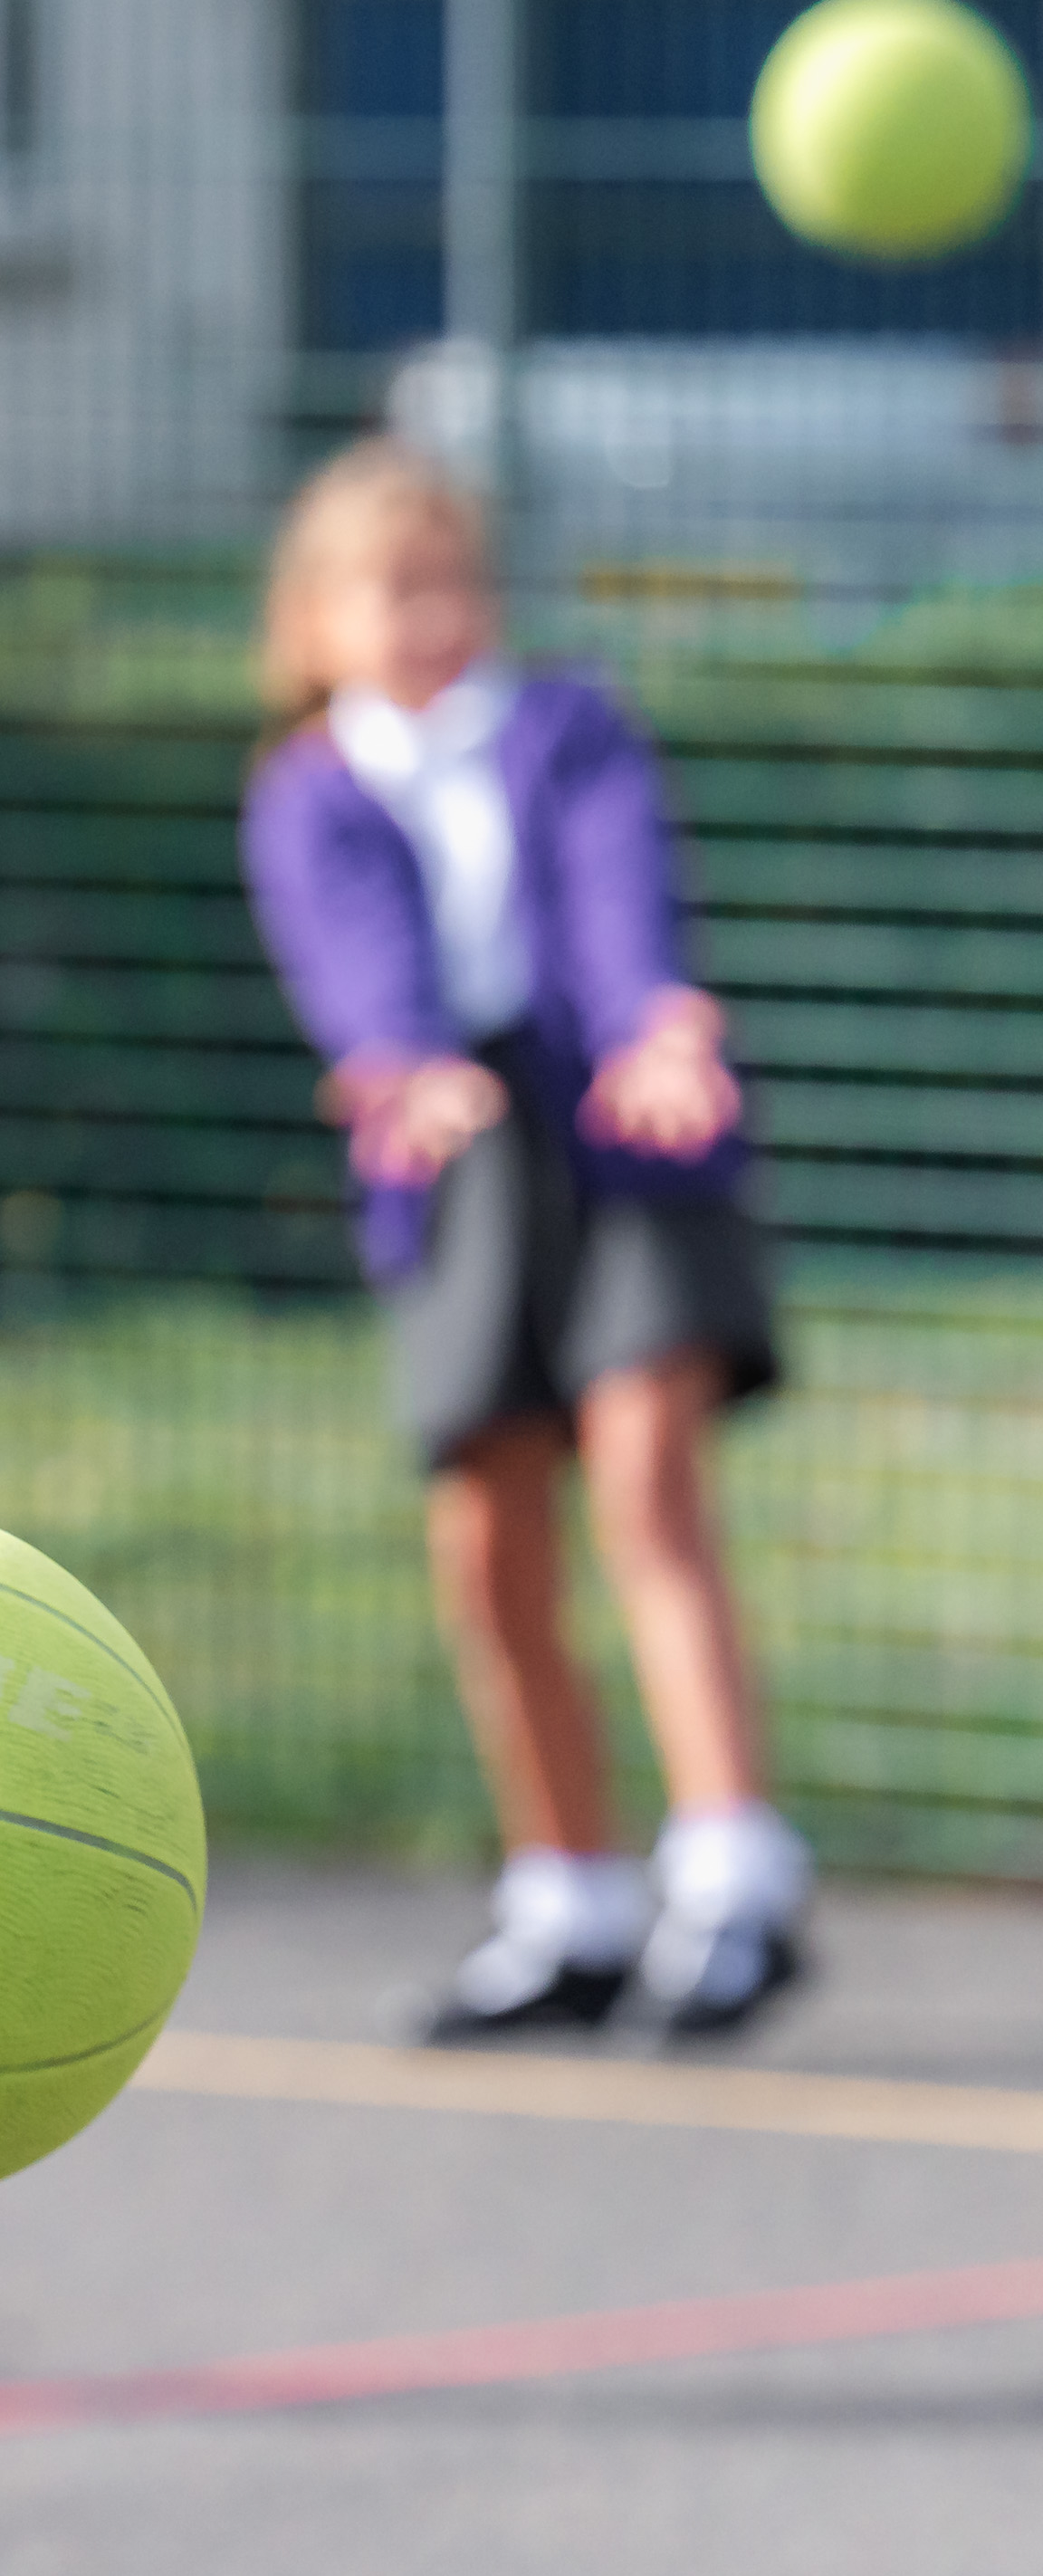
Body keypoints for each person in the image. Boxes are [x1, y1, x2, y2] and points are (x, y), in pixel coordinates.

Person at [242, 440, 803, 2044]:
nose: (426, 616)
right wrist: (403, 1064)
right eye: (387, 589)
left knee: (646, 1482)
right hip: (460, 1169)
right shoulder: (308, 790)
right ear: (314, 622)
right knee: (490, 1548)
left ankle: (733, 1878)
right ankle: (570, 1903)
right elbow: (349, 960)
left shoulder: (569, 730)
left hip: (626, 1138)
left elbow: (618, 894)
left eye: (451, 582)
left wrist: (654, 1026)